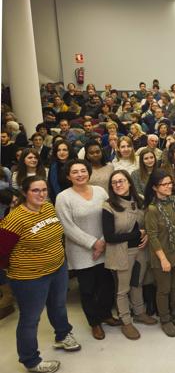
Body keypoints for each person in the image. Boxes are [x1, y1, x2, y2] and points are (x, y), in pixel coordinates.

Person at [0, 176, 81, 373]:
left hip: (58, 268)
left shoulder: (48, 207)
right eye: (36, 190)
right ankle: (31, 361)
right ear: (25, 193)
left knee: (58, 305)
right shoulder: (15, 219)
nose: (41, 194)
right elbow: (1, 252)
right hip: (30, 278)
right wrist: (15, 272)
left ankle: (62, 335)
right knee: (30, 319)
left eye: (44, 189)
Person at [55, 159, 120, 341]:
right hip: (81, 251)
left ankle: (106, 314)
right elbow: (67, 227)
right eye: (75, 172)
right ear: (68, 176)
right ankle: (95, 323)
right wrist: (93, 243)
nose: (80, 174)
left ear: (88, 172)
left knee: (107, 285)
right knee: (88, 289)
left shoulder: (100, 191)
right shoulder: (63, 197)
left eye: (83, 171)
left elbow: (110, 215)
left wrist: (102, 241)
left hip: (105, 246)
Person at [102, 170, 157, 340]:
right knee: (122, 289)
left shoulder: (139, 199)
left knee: (137, 284)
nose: (118, 185)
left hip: (140, 250)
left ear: (129, 183)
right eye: (114, 182)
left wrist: (146, 234)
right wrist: (136, 234)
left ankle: (139, 312)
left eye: (121, 181)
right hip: (120, 252)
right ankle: (126, 321)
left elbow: (146, 224)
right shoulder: (108, 205)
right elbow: (109, 236)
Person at [144, 169, 175, 337]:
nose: (169, 187)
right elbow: (152, 236)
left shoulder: (174, 202)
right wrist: (163, 259)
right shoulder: (152, 209)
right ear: (155, 187)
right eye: (165, 184)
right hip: (162, 256)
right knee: (164, 289)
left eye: (170, 183)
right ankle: (165, 319)